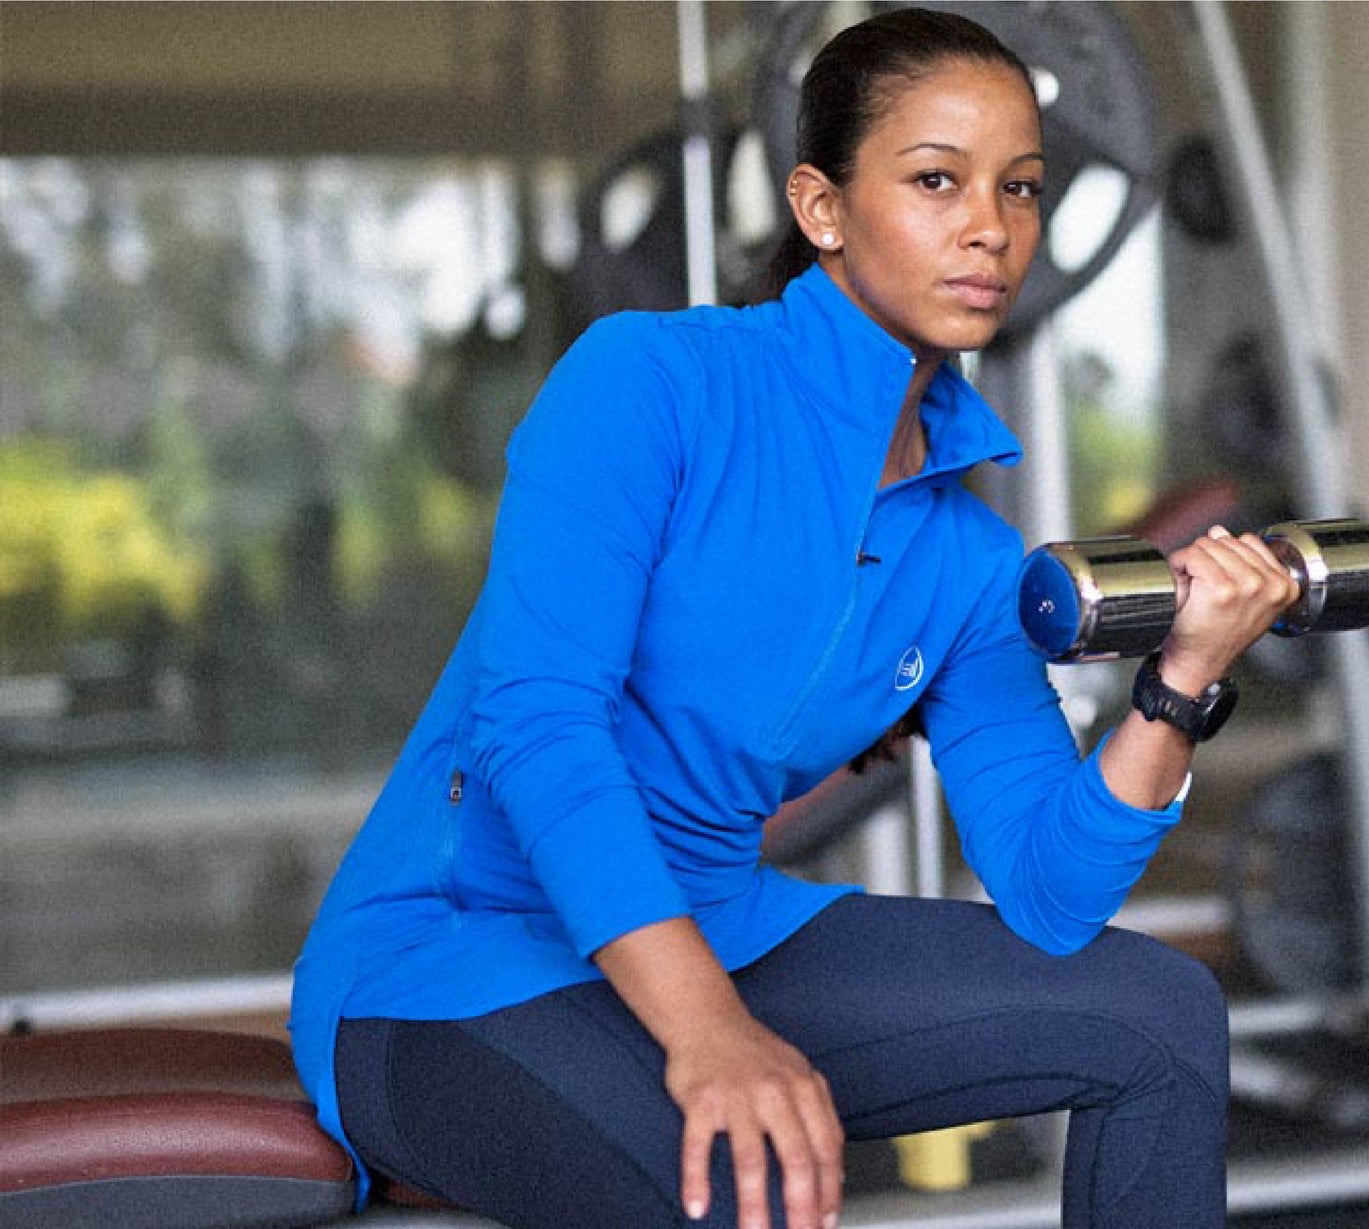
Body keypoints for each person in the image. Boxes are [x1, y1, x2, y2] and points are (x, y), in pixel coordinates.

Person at [290, 9, 1299, 1228]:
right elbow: (538, 724)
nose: (991, 225)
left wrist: (1178, 684)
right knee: (739, 1170)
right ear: (820, 209)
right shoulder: (648, 383)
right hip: (455, 958)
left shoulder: (965, 555)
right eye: (936, 180)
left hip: (726, 927)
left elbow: (1047, 889)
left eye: (1020, 188)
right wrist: (712, 1030)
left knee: (1158, 1013)